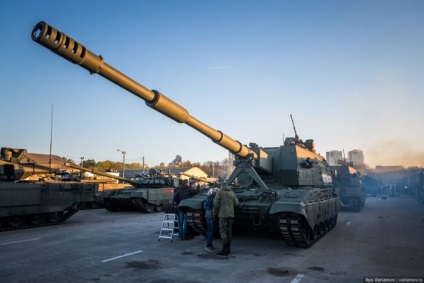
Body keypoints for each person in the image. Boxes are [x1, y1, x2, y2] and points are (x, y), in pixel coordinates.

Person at [213, 184, 239, 256]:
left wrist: (214, 214)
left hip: (222, 215)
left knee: (223, 231)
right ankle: (228, 249)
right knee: (229, 231)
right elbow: (236, 203)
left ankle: (224, 250)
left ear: (221, 186)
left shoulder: (220, 192)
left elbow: (216, 204)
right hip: (231, 215)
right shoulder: (232, 192)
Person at [204, 187, 219, 253]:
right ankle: (208, 246)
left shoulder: (208, 197)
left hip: (207, 216)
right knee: (211, 232)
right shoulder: (214, 198)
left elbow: (204, 207)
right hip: (212, 216)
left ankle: (210, 245)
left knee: (209, 231)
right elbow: (215, 207)